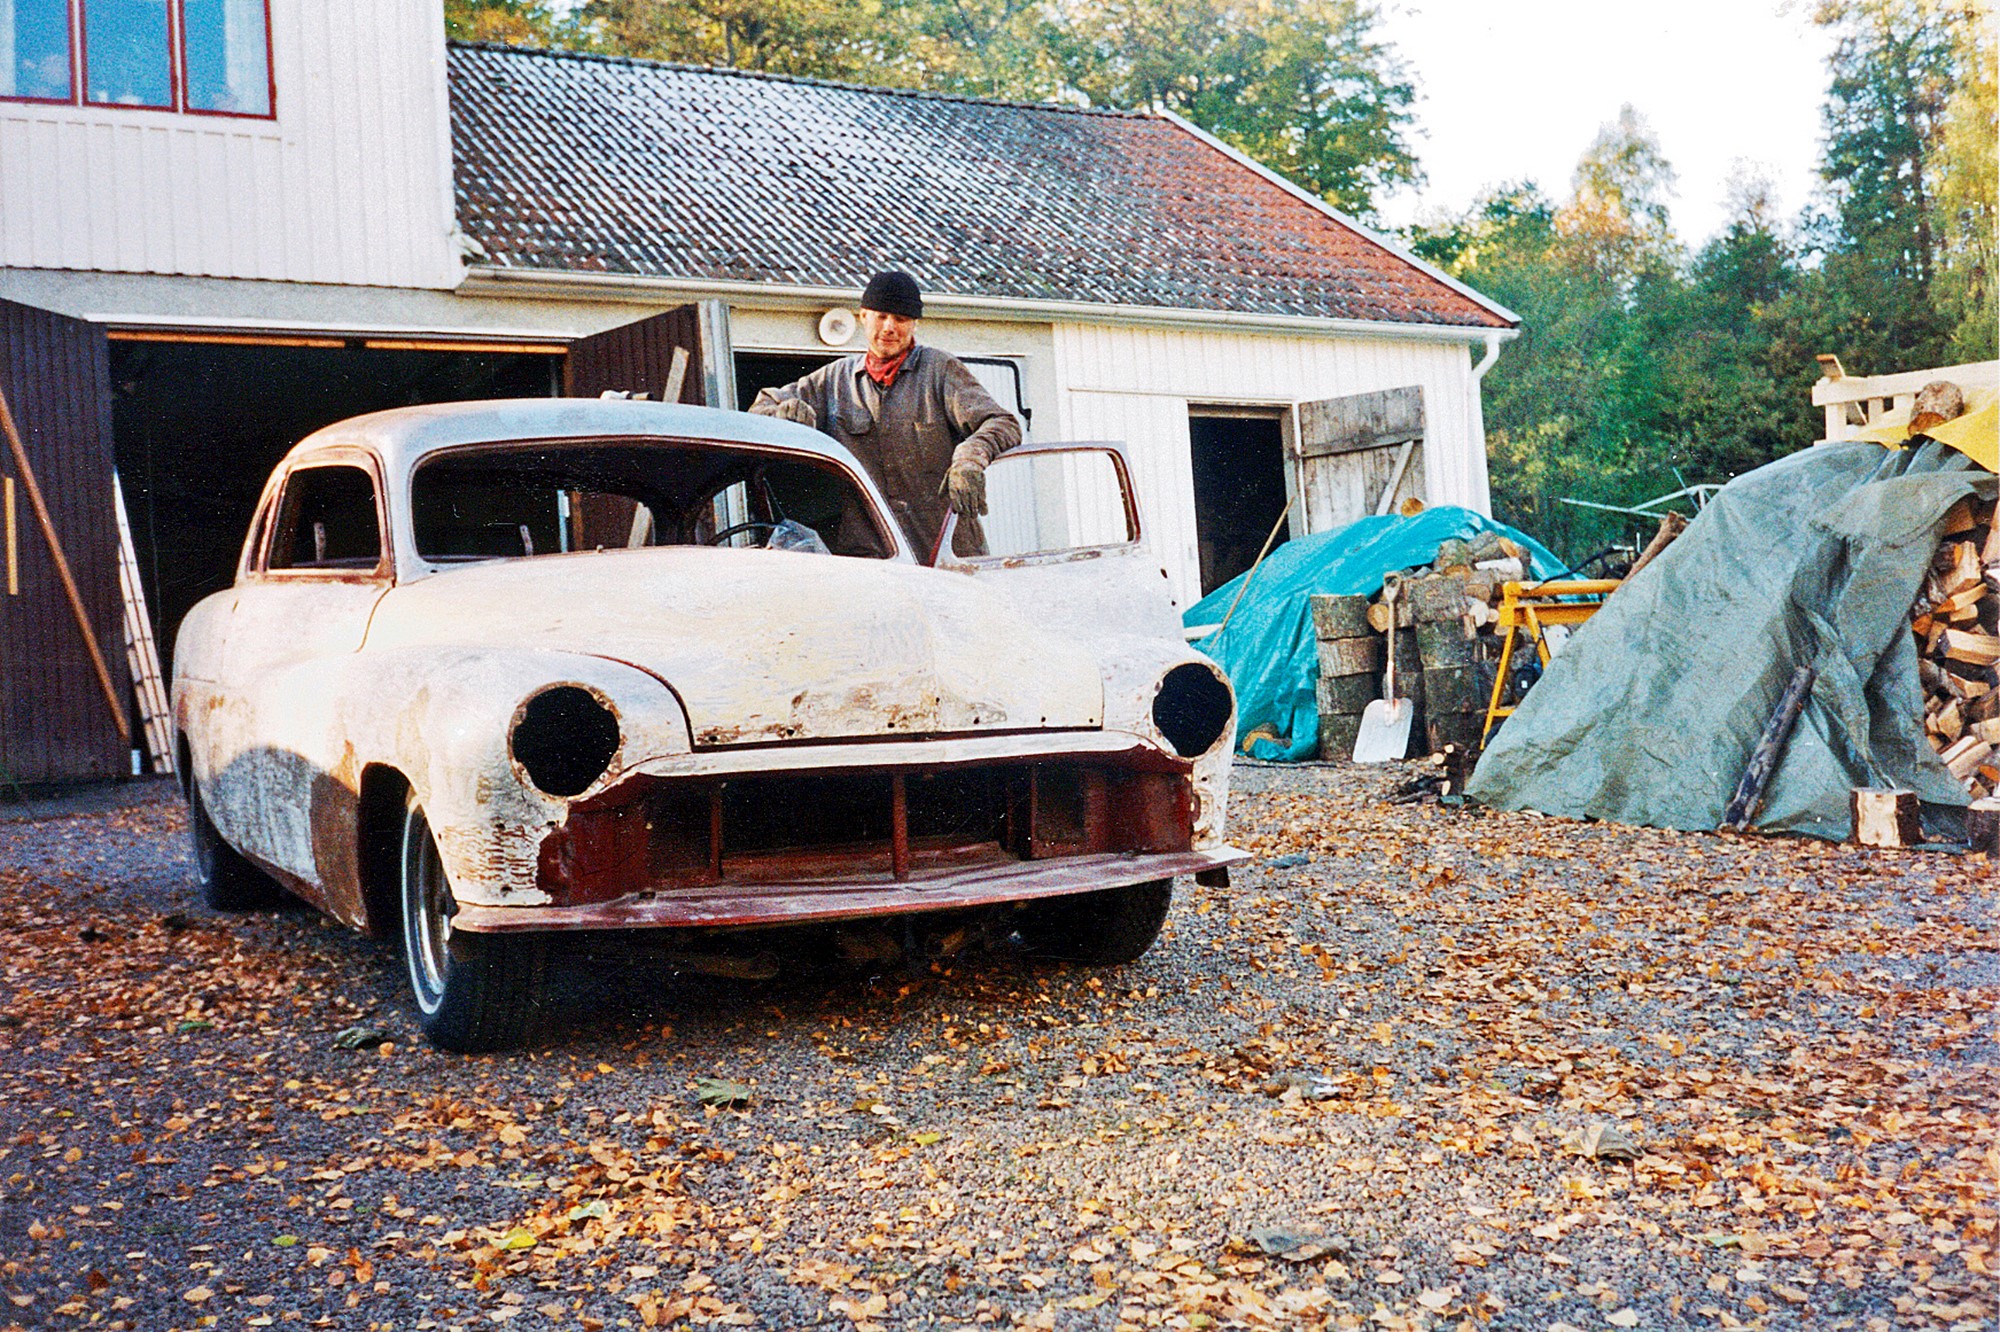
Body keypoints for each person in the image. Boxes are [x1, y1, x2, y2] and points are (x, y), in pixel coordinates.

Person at [750, 271, 1021, 559]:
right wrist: (784, 412)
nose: (889, 327)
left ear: (915, 324)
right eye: (880, 316)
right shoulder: (834, 381)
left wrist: (970, 458)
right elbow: (758, 410)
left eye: (901, 319)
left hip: (948, 554)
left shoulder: (940, 370)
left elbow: (1003, 423)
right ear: (863, 317)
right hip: (874, 559)